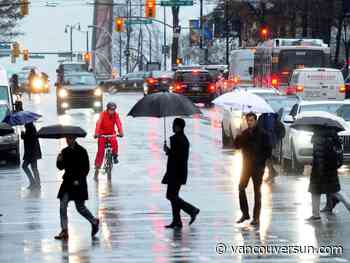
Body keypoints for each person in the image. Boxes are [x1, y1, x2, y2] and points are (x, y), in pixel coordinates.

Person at [55, 136, 99, 240]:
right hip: (67, 183)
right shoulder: (64, 151)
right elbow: (60, 167)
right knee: (62, 206)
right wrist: (59, 160)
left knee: (80, 208)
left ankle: (94, 221)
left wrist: (78, 180)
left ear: (74, 139)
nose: (67, 140)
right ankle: (64, 230)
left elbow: (86, 168)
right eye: (66, 138)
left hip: (78, 184)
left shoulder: (82, 151)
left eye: (70, 138)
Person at [234, 112, 272, 225]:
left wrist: (261, 161)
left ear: (255, 121)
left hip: (258, 167)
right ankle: (245, 213)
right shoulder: (244, 133)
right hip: (246, 166)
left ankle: (256, 217)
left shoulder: (263, 134)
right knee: (241, 187)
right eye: (248, 120)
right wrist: (238, 135)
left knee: (257, 192)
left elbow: (268, 151)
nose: (249, 122)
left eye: (251, 120)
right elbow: (237, 146)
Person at [162, 118, 200, 229]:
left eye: (174, 125)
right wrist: (168, 151)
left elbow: (178, 157)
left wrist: (169, 151)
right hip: (178, 172)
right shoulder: (182, 139)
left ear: (178, 127)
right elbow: (176, 154)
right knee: (174, 196)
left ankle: (192, 210)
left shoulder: (178, 139)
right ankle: (177, 221)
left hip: (176, 172)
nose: (172, 127)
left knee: (171, 195)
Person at [307, 128, 350, 221]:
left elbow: (319, 156)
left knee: (315, 191)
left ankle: (315, 215)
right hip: (331, 168)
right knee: (335, 191)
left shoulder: (318, 137)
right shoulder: (334, 135)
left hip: (320, 169)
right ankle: (348, 204)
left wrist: (317, 170)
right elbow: (339, 154)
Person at [94, 102, 124, 179]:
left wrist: (121, 132)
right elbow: (98, 123)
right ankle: (97, 168)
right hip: (102, 134)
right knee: (101, 152)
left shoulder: (115, 115)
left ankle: (115, 156)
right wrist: (96, 133)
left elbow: (119, 123)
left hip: (111, 133)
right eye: (111, 110)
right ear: (107, 109)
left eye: (113, 110)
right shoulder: (103, 114)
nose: (112, 111)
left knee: (115, 142)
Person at [258, 110, 285, 183]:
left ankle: (272, 173)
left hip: (266, 140)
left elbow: (260, 129)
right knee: (267, 157)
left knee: (265, 157)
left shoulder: (264, 117)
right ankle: (272, 174)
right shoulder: (272, 117)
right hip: (270, 140)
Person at [21, 122, 42, 189]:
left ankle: (34, 183)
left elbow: (30, 139)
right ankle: (36, 183)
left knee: (25, 166)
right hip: (32, 152)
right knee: (34, 168)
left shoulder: (30, 128)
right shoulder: (31, 127)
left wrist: (23, 135)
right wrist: (24, 136)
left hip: (31, 152)